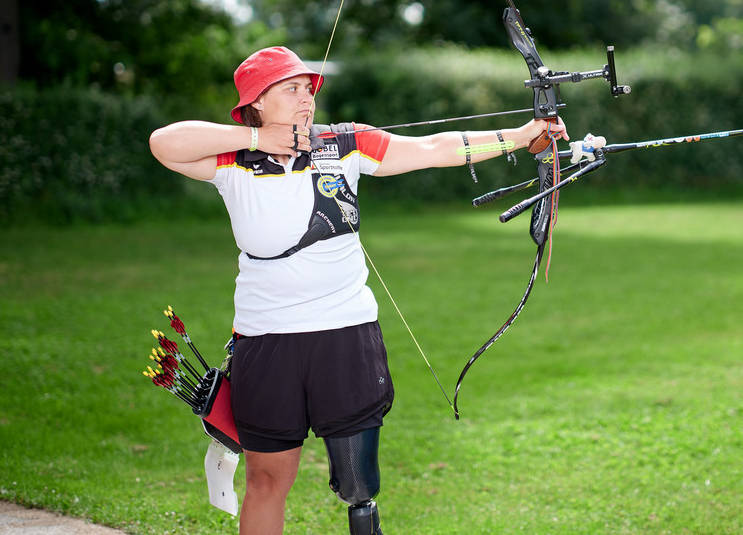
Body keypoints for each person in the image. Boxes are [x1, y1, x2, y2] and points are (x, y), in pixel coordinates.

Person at [148, 46, 569, 535]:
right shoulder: (230, 159)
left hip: (344, 335)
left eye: (308, 89)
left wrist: (519, 137)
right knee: (266, 480)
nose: (306, 99)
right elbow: (164, 142)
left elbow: (433, 148)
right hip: (266, 341)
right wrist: (257, 137)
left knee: (358, 483)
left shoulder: (342, 143)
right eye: (291, 89)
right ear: (257, 101)